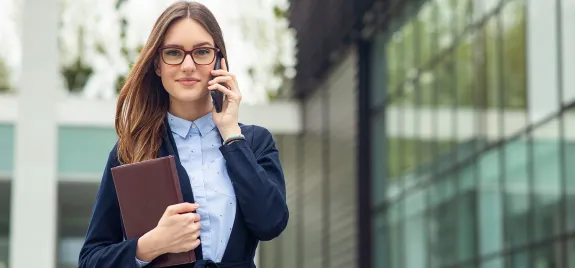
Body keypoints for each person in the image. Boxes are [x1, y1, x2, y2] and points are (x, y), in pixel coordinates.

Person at [78, 1, 289, 267]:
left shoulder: (255, 142)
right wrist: (152, 244)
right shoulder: (132, 150)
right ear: (157, 65)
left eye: (201, 52)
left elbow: (271, 222)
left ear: (219, 61)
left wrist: (231, 136)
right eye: (174, 53)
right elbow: (91, 260)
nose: (188, 66)